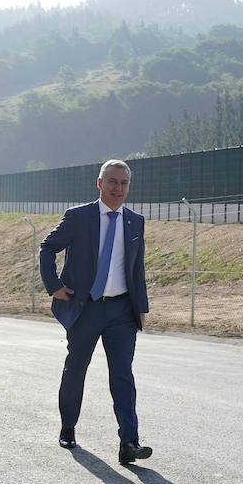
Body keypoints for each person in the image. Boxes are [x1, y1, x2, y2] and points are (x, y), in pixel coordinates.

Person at [38, 159, 151, 464]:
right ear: (100, 183)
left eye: (124, 183)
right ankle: (68, 426)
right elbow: (47, 248)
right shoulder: (79, 217)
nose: (119, 189)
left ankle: (129, 442)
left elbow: (136, 269)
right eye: (113, 182)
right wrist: (54, 286)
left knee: (123, 375)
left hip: (122, 311)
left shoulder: (135, 221)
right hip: (85, 308)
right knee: (76, 369)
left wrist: (141, 308)